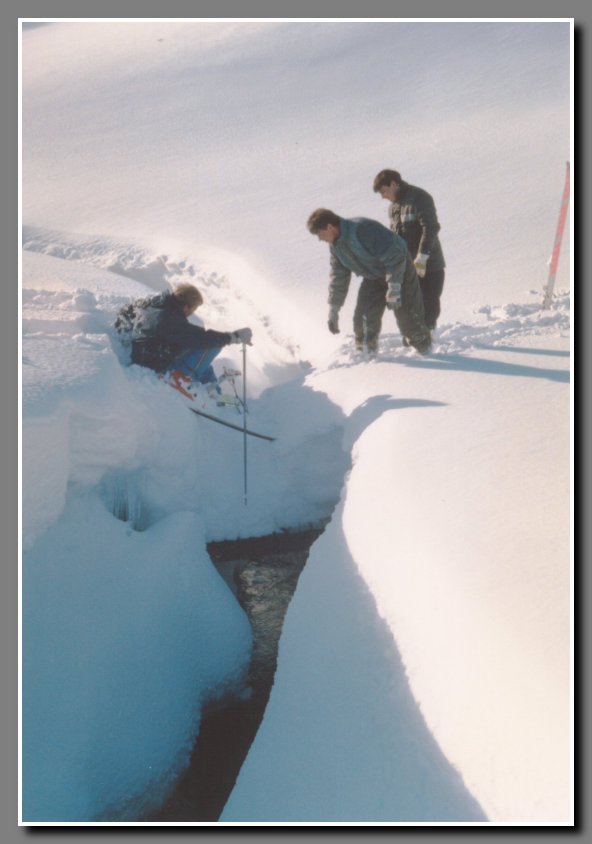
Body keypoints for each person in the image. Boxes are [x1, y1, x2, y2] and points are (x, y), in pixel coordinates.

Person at [306, 208, 432, 354]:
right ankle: (365, 354)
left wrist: (394, 287)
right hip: (373, 276)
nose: (320, 239)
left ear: (330, 227)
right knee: (363, 317)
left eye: (320, 234)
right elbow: (338, 275)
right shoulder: (336, 246)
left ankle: (425, 351)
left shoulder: (363, 229)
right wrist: (334, 308)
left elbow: (394, 256)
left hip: (399, 269)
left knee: (408, 318)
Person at [115, 283, 252, 391]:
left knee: (204, 365)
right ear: (186, 307)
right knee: (211, 347)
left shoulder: (156, 304)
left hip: (150, 353)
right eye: (194, 309)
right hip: (154, 363)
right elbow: (202, 338)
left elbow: (126, 311)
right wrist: (233, 337)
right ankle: (179, 380)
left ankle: (214, 396)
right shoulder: (170, 319)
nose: (192, 313)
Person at [373, 169, 445, 333]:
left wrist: (423, 256)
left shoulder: (419, 198)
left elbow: (431, 227)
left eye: (384, 191)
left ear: (393, 184)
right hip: (408, 268)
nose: (383, 196)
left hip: (429, 265)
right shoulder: (393, 208)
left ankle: (429, 341)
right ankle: (414, 342)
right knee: (408, 308)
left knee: (428, 304)